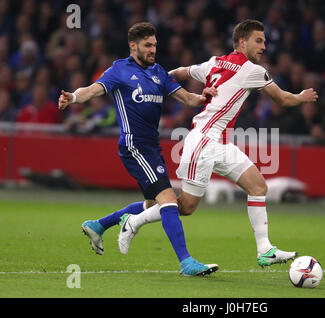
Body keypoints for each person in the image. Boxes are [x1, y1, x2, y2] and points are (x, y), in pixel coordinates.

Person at [118, 20, 318, 268]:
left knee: (258, 187)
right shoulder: (252, 70)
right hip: (203, 140)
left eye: (264, 41)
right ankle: (133, 222)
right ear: (242, 42)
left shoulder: (215, 62)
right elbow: (283, 100)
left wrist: (155, 80)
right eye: (259, 40)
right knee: (185, 207)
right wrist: (302, 97)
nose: (264, 46)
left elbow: (180, 72)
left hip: (221, 143)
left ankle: (265, 249)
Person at [57, 22, 218, 277]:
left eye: (154, 44)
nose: (153, 49)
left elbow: (187, 99)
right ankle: (186, 262)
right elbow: (92, 90)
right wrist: (73, 98)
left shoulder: (159, 72)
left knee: (152, 204)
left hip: (151, 147)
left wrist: (203, 97)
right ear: (133, 46)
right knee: (168, 201)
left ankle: (98, 225)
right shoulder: (120, 70)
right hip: (134, 146)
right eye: (147, 45)